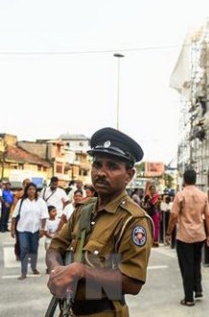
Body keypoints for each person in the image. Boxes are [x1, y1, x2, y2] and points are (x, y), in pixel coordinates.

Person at [46, 127, 153, 316]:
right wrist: (57, 272)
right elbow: (56, 247)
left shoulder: (133, 220)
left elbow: (133, 282)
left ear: (129, 175)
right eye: (97, 165)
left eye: (112, 166)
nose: (101, 173)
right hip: (70, 310)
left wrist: (81, 271)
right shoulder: (83, 209)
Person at [165, 169, 209, 307]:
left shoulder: (180, 195)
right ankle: (197, 289)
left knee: (187, 266)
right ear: (195, 180)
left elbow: (173, 216)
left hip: (185, 237)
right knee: (196, 263)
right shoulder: (203, 195)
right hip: (199, 235)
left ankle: (188, 298)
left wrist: (168, 233)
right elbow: (208, 216)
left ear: (184, 180)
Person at [11, 182, 49, 280]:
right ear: (26, 191)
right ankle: (23, 272)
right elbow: (14, 216)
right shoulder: (21, 202)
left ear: (36, 191)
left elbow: (44, 216)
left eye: (33, 189)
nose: (31, 191)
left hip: (35, 229)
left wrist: (42, 229)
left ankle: (33, 267)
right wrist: (12, 229)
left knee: (33, 249)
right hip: (22, 229)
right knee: (24, 249)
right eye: (29, 189)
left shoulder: (41, 202)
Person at [12, 178, 31, 261]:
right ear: (23, 185)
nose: (27, 185)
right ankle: (18, 254)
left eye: (29, 184)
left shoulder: (33, 195)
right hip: (20, 218)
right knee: (19, 239)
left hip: (30, 219)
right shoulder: (18, 194)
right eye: (26, 184)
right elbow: (16, 207)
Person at [143, 182, 160, 247]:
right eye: (152, 189)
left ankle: (155, 241)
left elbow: (157, 205)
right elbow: (143, 204)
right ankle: (149, 240)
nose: (153, 190)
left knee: (156, 227)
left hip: (155, 213)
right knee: (149, 226)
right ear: (149, 190)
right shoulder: (147, 196)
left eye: (154, 189)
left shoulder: (157, 197)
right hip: (149, 213)